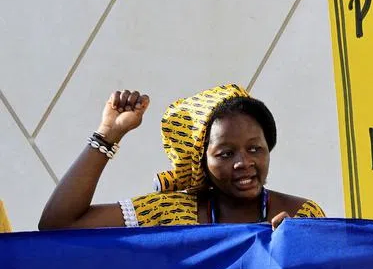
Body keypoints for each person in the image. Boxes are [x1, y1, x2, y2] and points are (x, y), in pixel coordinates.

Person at [39, 84, 323, 229]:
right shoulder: (170, 213)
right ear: (201, 161)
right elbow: (58, 223)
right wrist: (108, 134)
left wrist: (297, 252)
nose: (243, 162)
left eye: (254, 149)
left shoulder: (302, 217)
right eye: (225, 153)